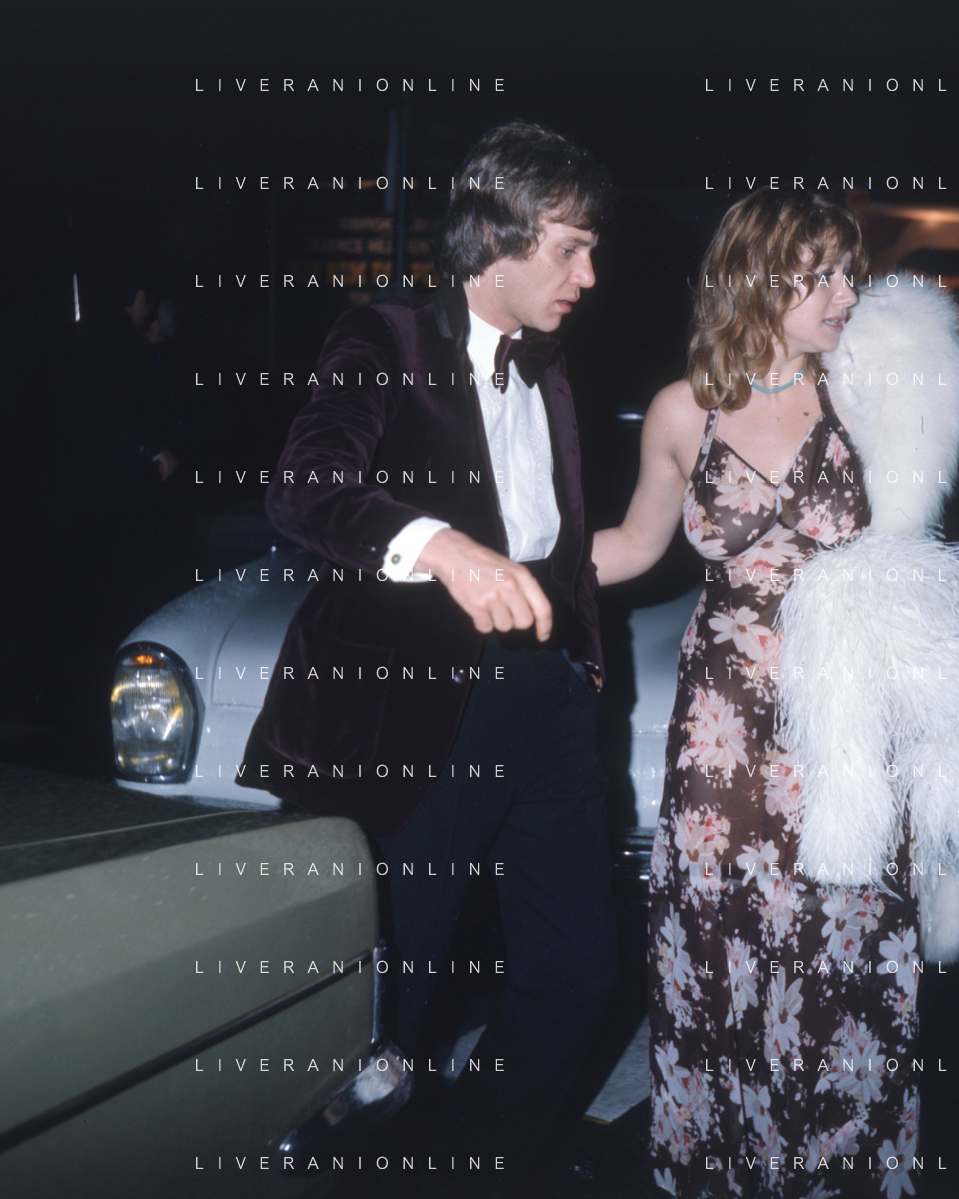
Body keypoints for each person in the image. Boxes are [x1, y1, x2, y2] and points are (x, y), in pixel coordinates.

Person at [238, 121, 618, 1195]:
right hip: (416, 706)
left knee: (577, 973)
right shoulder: (386, 334)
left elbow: (558, 542)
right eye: (570, 249)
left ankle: (473, 1167)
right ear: (496, 243)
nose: (589, 275)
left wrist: (583, 660)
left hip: (544, 699)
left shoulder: (551, 369)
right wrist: (442, 547)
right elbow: (305, 488)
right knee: (388, 1009)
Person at [593, 191, 924, 1197]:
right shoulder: (681, 409)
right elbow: (632, 546)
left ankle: (833, 1168)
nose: (845, 294)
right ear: (755, 279)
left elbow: (918, 564)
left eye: (849, 273)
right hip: (723, 721)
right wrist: (497, 562)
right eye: (820, 275)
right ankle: (724, 1165)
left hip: (844, 714)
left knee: (843, 933)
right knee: (718, 930)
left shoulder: (869, 397)